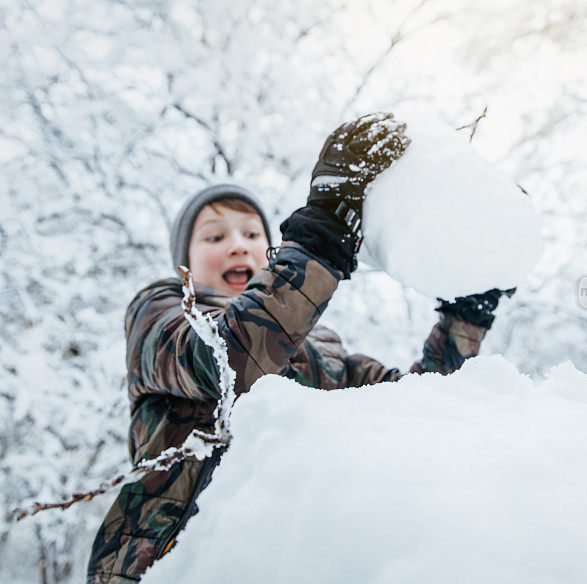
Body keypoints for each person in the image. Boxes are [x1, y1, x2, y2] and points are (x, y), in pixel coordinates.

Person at [86, 113, 512, 583]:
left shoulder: (322, 349)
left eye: (252, 234)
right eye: (215, 236)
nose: (238, 246)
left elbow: (420, 410)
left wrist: (466, 316)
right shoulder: (162, 314)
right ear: (182, 262)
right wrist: (323, 234)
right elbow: (230, 363)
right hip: (174, 564)